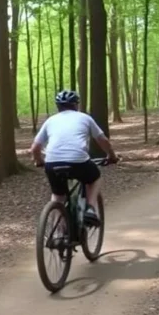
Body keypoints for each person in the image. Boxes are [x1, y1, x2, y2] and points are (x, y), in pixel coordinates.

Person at [29, 90, 118, 226]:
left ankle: (58, 232)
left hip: (52, 162)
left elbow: (35, 147)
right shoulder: (85, 118)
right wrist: (111, 156)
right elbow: (102, 140)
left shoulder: (50, 121)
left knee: (58, 196)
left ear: (58, 106)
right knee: (94, 178)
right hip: (78, 161)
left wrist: (39, 161)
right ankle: (90, 209)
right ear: (76, 105)